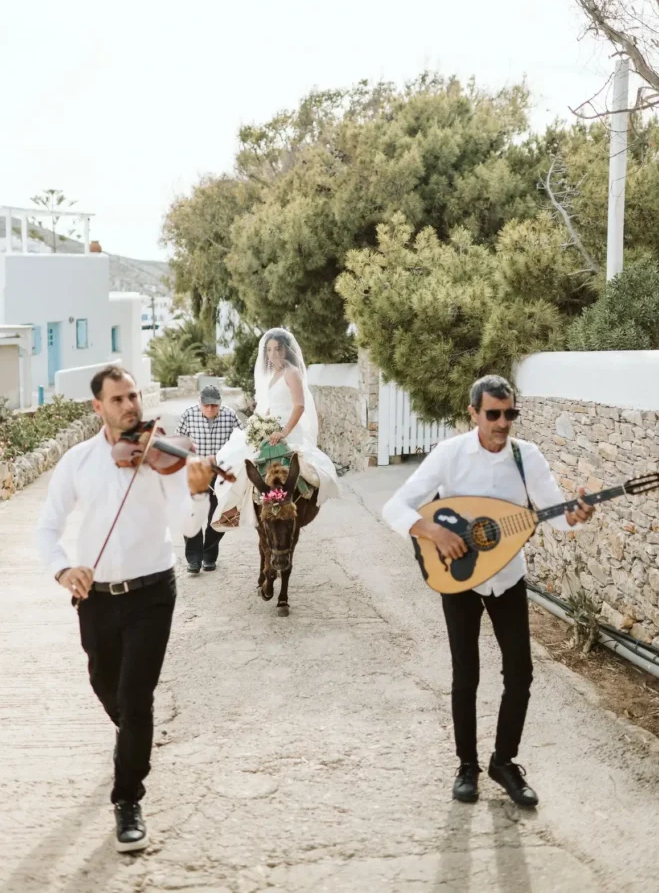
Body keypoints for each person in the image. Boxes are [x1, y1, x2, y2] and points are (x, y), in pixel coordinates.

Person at [35, 366, 224, 853]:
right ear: (98, 407)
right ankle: (131, 740)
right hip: (95, 597)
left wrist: (198, 489)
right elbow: (47, 528)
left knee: (137, 697)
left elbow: (186, 526)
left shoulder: (163, 457)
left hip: (152, 593)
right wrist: (62, 570)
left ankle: (128, 799)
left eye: (134, 396)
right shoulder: (78, 461)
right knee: (106, 686)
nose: (130, 406)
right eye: (118, 399)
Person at [382, 374, 595, 808]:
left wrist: (576, 516)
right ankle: (467, 766)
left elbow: (553, 514)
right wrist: (434, 532)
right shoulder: (450, 454)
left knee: (520, 673)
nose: (502, 423)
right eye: (493, 414)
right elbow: (395, 506)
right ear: (473, 413)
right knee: (467, 674)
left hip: (508, 575)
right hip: (458, 578)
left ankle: (504, 761)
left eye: (509, 414)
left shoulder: (526, 457)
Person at [211, 328, 340, 529]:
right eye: (269, 350)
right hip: (271, 427)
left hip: (287, 429)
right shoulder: (275, 375)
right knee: (236, 456)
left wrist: (284, 432)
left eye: (277, 349)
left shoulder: (292, 373)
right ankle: (233, 509)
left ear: (286, 350)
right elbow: (274, 405)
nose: (273, 354)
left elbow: (299, 406)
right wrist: (259, 423)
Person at [176, 384, 239, 574]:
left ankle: (209, 556)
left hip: (221, 474)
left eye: (214, 405)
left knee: (218, 516)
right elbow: (179, 444)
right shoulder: (188, 414)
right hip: (196, 472)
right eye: (207, 405)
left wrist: (220, 458)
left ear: (220, 404)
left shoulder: (230, 415)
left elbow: (240, 442)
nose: (210, 409)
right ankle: (194, 559)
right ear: (199, 403)